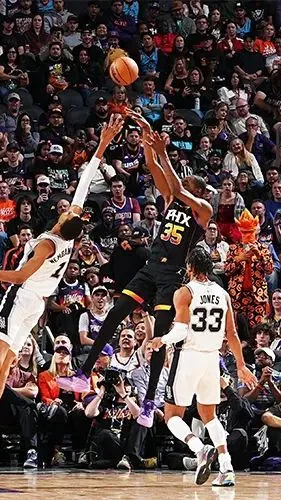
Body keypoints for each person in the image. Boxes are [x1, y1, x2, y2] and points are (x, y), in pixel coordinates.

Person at [0, 115, 126, 459]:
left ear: (63, 221)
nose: (69, 209)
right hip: (37, 304)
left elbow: (20, 278)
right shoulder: (69, 239)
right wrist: (103, 145)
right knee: (4, 364)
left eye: (68, 212)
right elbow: (83, 185)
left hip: (22, 298)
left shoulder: (48, 244)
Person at [82, 109, 214, 429]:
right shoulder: (171, 200)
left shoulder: (203, 210)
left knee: (158, 337)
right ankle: (84, 372)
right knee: (116, 312)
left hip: (172, 276)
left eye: (187, 184)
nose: (179, 185)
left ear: (196, 191)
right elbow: (154, 168)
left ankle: (151, 398)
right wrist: (145, 138)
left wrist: (163, 151)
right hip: (151, 267)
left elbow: (175, 184)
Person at [148, 247, 256, 487]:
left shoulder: (185, 292)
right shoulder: (222, 294)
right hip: (212, 359)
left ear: (190, 267)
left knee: (172, 416)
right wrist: (240, 365)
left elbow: (181, 330)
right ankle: (226, 468)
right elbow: (232, 333)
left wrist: (161, 340)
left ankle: (199, 449)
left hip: (188, 356)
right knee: (210, 416)